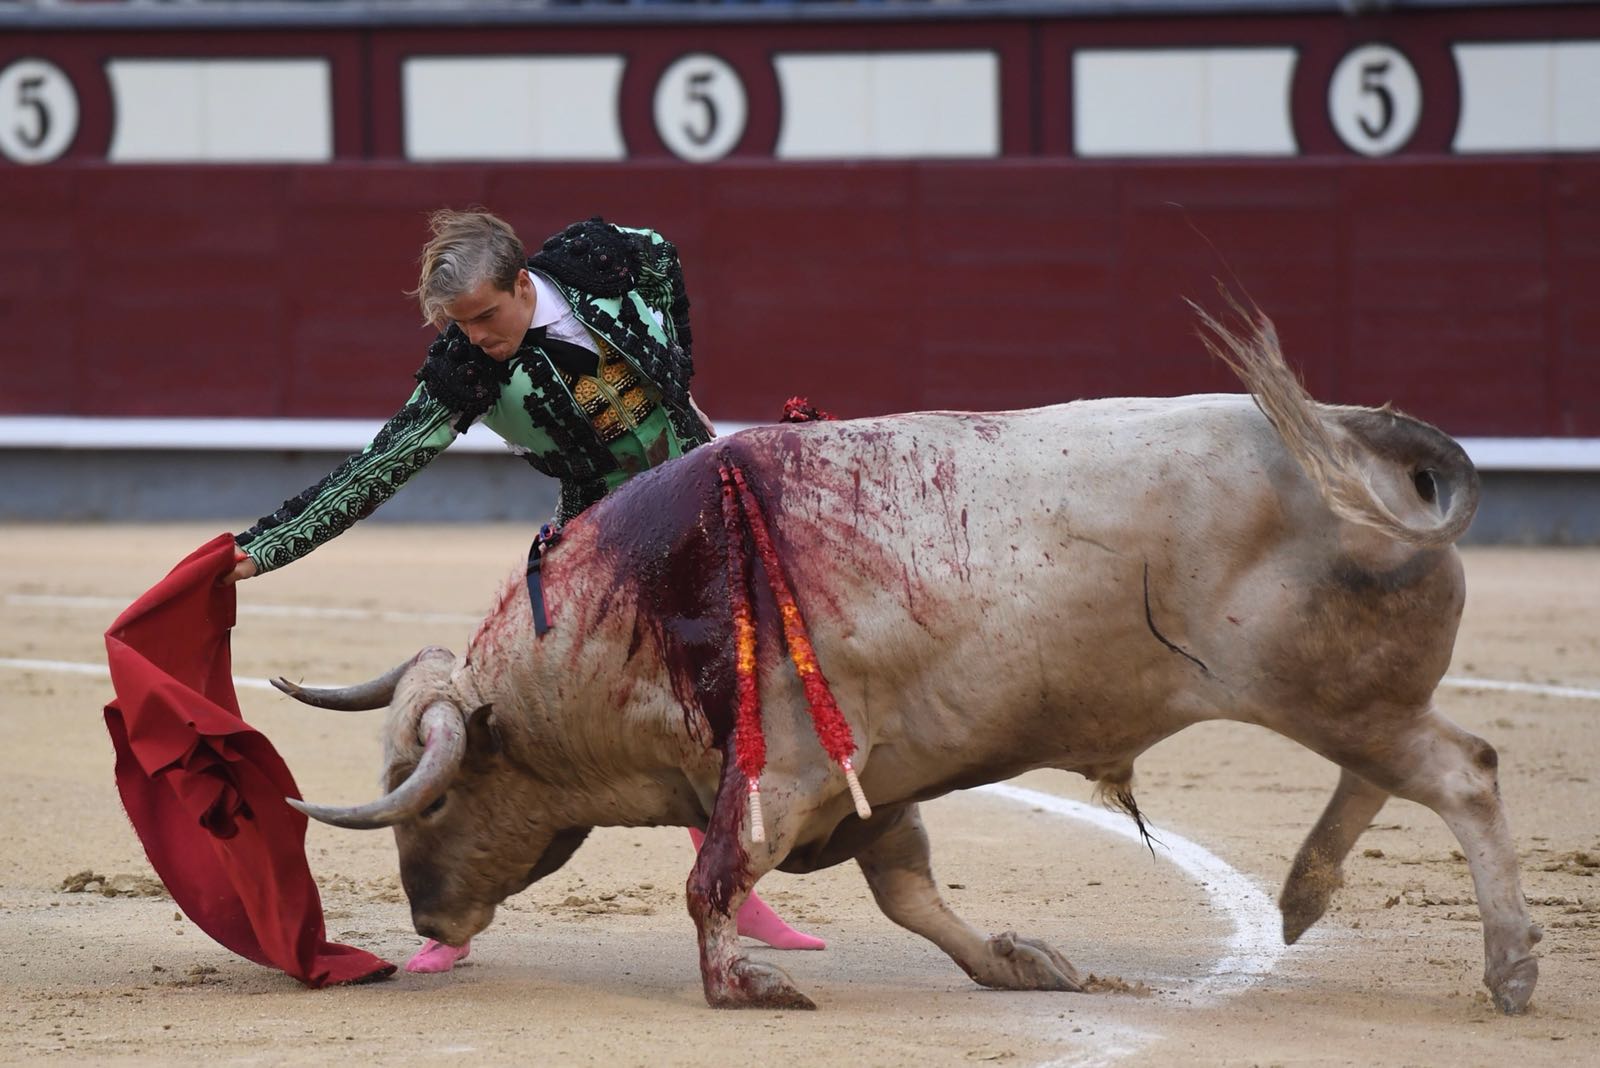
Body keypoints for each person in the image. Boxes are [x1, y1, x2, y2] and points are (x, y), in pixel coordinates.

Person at [224, 210, 824, 971]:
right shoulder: (464, 369)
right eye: (457, 322)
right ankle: (456, 922)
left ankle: (743, 895)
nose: (473, 335)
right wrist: (261, 548)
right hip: (598, 538)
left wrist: (677, 378)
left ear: (520, 283)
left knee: (720, 702)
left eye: (483, 315)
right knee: (511, 712)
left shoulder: (600, 260)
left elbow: (664, 256)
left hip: (706, 499)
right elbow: (379, 467)